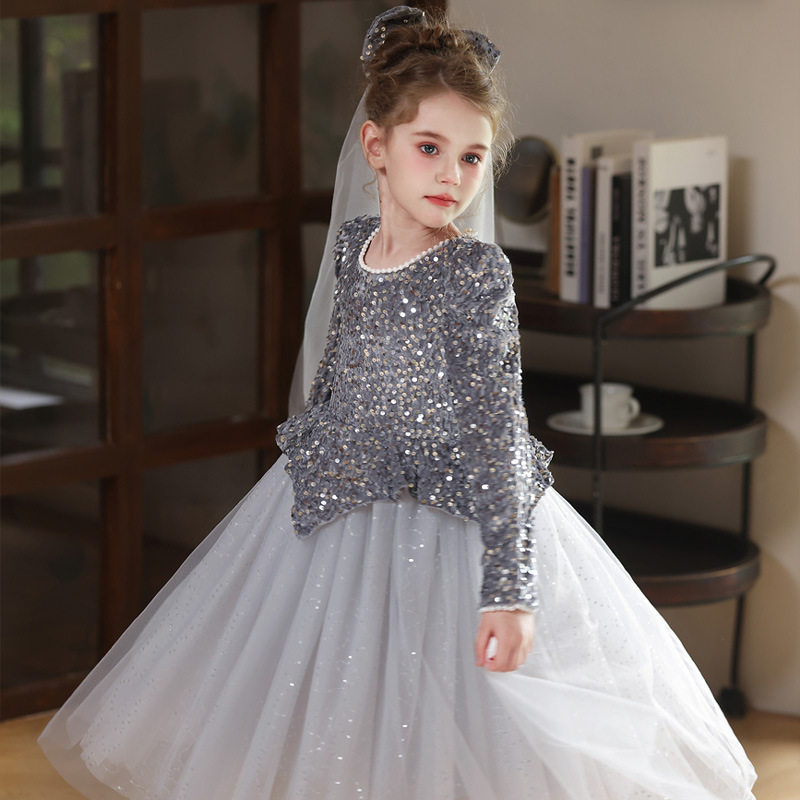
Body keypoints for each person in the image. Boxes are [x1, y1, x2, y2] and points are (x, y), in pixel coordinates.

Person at [38, 7, 757, 799]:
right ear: (376, 148)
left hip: (450, 518)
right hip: (344, 500)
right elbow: (339, 367)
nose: (452, 175)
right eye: (429, 148)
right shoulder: (354, 247)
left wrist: (508, 590)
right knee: (343, 707)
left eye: (473, 156)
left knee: (445, 718)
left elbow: (496, 430)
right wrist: (312, 454)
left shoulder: (475, 275)